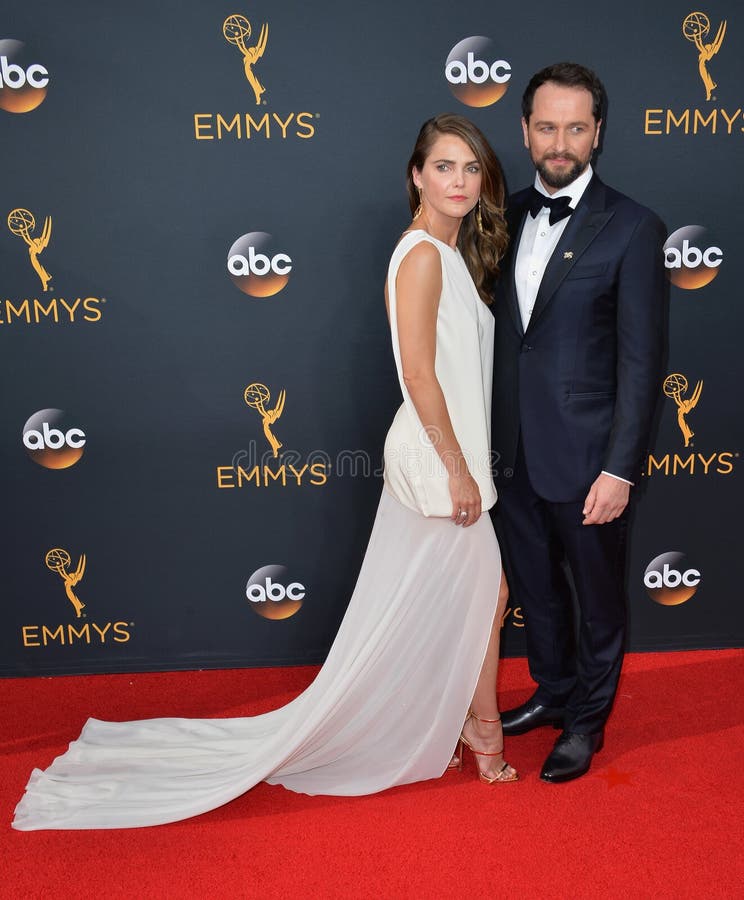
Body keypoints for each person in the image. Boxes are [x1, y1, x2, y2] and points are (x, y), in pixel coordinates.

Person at [13, 114, 515, 831]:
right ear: (416, 175)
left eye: (470, 167)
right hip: (439, 458)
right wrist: (459, 470)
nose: (459, 181)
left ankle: (471, 725)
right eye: (444, 166)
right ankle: (484, 734)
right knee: (486, 592)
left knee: (474, 597)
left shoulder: (445, 251)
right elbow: (419, 375)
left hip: (442, 453)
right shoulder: (425, 257)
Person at [491, 63, 666, 783]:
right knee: (536, 591)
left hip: (591, 458)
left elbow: (641, 361)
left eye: (574, 127)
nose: (558, 141)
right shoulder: (497, 218)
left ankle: (587, 724)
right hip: (513, 452)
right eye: (545, 126)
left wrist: (620, 467)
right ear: (525, 130)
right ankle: (553, 691)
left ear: (597, 133)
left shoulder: (631, 227)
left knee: (597, 602)